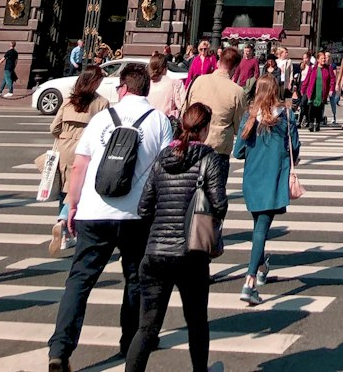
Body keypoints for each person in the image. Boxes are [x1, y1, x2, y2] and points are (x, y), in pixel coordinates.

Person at [46, 63, 172, 372]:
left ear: (125, 88)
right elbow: (165, 171)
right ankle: (130, 340)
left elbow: (79, 166)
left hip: (93, 212)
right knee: (135, 279)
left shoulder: (102, 118)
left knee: (79, 281)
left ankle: (60, 350)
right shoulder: (159, 122)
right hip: (135, 214)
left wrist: (71, 207)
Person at [123, 101, 227, 372]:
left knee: (147, 327)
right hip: (191, 254)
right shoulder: (209, 158)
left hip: (156, 252)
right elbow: (219, 205)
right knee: (196, 322)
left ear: (182, 125)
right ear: (204, 129)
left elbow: (144, 206)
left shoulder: (163, 157)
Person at [233, 74, 300, 305]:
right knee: (261, 229)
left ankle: (260, 268)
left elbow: (238, 152)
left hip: (253, 178)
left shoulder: (250, 118)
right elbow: (296, 149)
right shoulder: (286, 117)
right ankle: (250, 281)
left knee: (258, 226)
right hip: (273, 178)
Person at [47, 64, 109, 256]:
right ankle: (65, 221)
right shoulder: (101, 103)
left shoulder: (68, 101)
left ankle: (64, 235)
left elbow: (53, 128)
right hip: (84, 151)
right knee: (77, 190)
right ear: (95, 82)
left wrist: (64, 136)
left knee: (64, 188)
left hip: (63, 148)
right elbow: (104, 131)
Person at [184, 44, 246, 165]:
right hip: (218, 148)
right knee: (215, 183)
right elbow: (240, 125)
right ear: (235, 67)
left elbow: (185, 110)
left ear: (218, 62)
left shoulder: (198, 81)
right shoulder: (237, 91)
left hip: (194, 143)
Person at [145, 53, 184, 126]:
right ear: (165, 68)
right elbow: (182, 107)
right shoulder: (176, 84)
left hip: (147, 125)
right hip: (167, 125)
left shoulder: (146, 85)